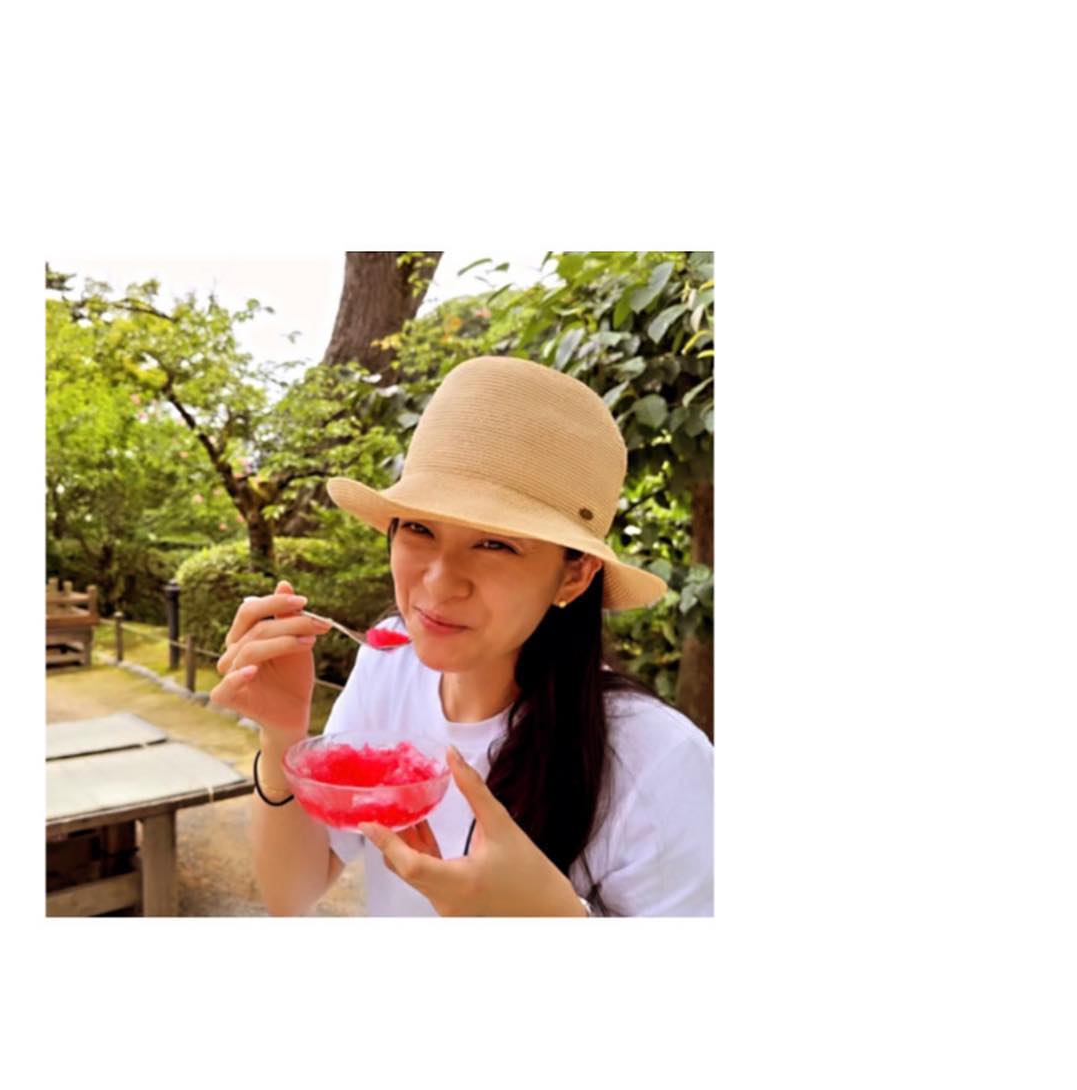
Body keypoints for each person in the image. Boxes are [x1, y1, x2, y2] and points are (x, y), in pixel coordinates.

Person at [209, 355, 714, 917]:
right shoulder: (389, 662)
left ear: (574, 575)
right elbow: (291, 894)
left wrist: (553, 920)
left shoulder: (661, 763)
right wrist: (282, 735)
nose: (439, 582)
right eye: (419, 528)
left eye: (496, 544)